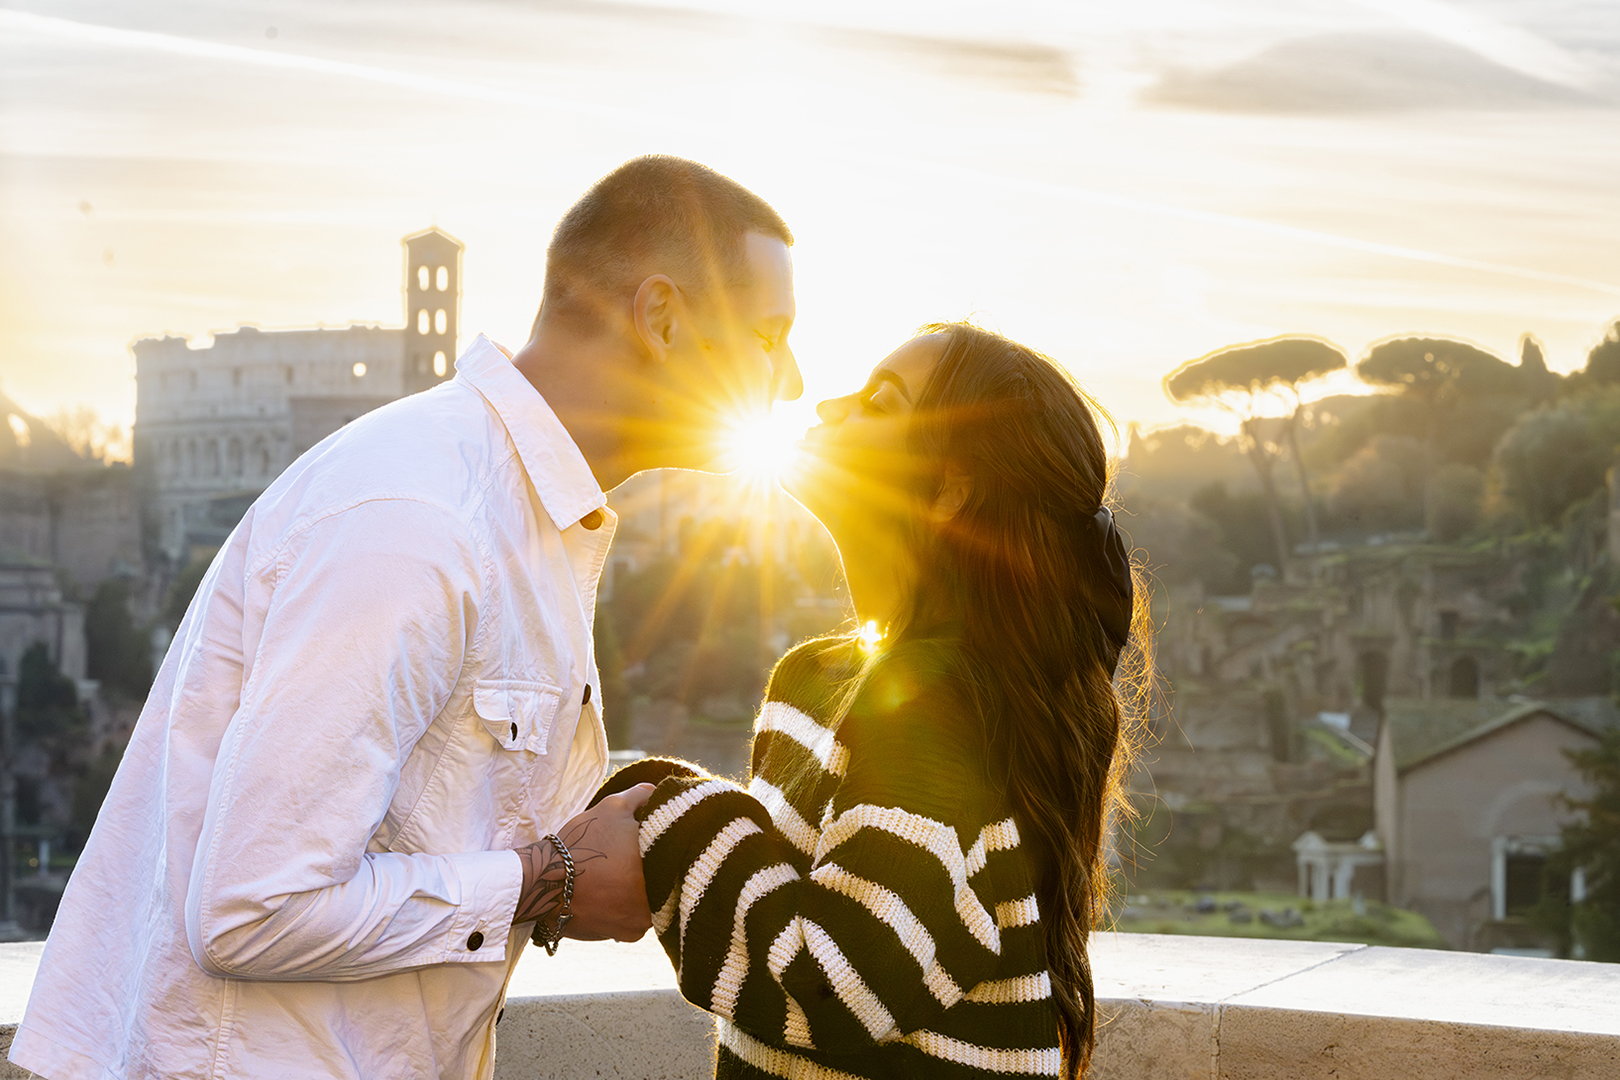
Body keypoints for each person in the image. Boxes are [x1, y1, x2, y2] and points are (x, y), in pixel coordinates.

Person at [9, 155, 802, 1080]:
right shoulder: (420, 521)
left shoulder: (514, 520)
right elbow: (253, 906)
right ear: (663, 318)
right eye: (768, 337)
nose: (789, 381)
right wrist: (551, 881)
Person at [626, 323, 1142, 1079]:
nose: (831, 406)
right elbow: (782, 902)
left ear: (946, 491)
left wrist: (663, 826)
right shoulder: (815, 680)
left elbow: (835, 985)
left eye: (878, 402)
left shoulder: (933, 705)